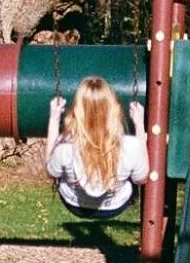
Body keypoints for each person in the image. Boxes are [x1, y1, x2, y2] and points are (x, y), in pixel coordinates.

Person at [45, 76, 148, 219]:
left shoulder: (65, 148)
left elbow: (51, 172)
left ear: (76, 111)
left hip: (75, 204)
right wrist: (139, 125)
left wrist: (54, 119)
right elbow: (142, 179)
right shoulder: (131, 146)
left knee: (60, 164)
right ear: (114, 109)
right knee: (132, 167)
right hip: (115, 205)